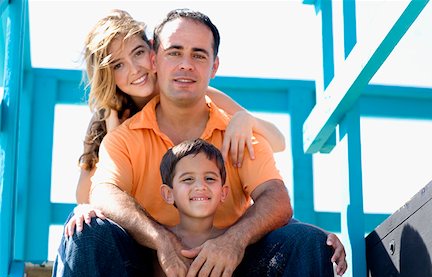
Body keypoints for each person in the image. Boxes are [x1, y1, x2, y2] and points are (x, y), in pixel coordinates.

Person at [54, 8, 346, 277]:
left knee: (309, 242)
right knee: (84, 230)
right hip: (147, 262)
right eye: (175, 52)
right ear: (159, 59)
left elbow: (276, 194)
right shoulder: (117, 130)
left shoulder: (229, 123)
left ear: (213, 66)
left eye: (198, 55)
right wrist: (160, 239)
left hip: (233, 261)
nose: (185, 66)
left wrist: (234, 240)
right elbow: (102, 192)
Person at [75, 9, 287, 205]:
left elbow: (279, 142)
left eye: (138, 53)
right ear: (107, 74)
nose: (135, 70)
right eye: (118, 65)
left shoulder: (191, 92)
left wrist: (245, 119)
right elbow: (85, 198)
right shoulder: (107, 117)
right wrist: (113, 130)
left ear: (152, 52)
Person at [153, 138, 232, 277]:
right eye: (188, 179)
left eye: (210, 178)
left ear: (223, 193)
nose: (200, 186)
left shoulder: (231, 244)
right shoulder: (156, 244)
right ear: (169, 194)